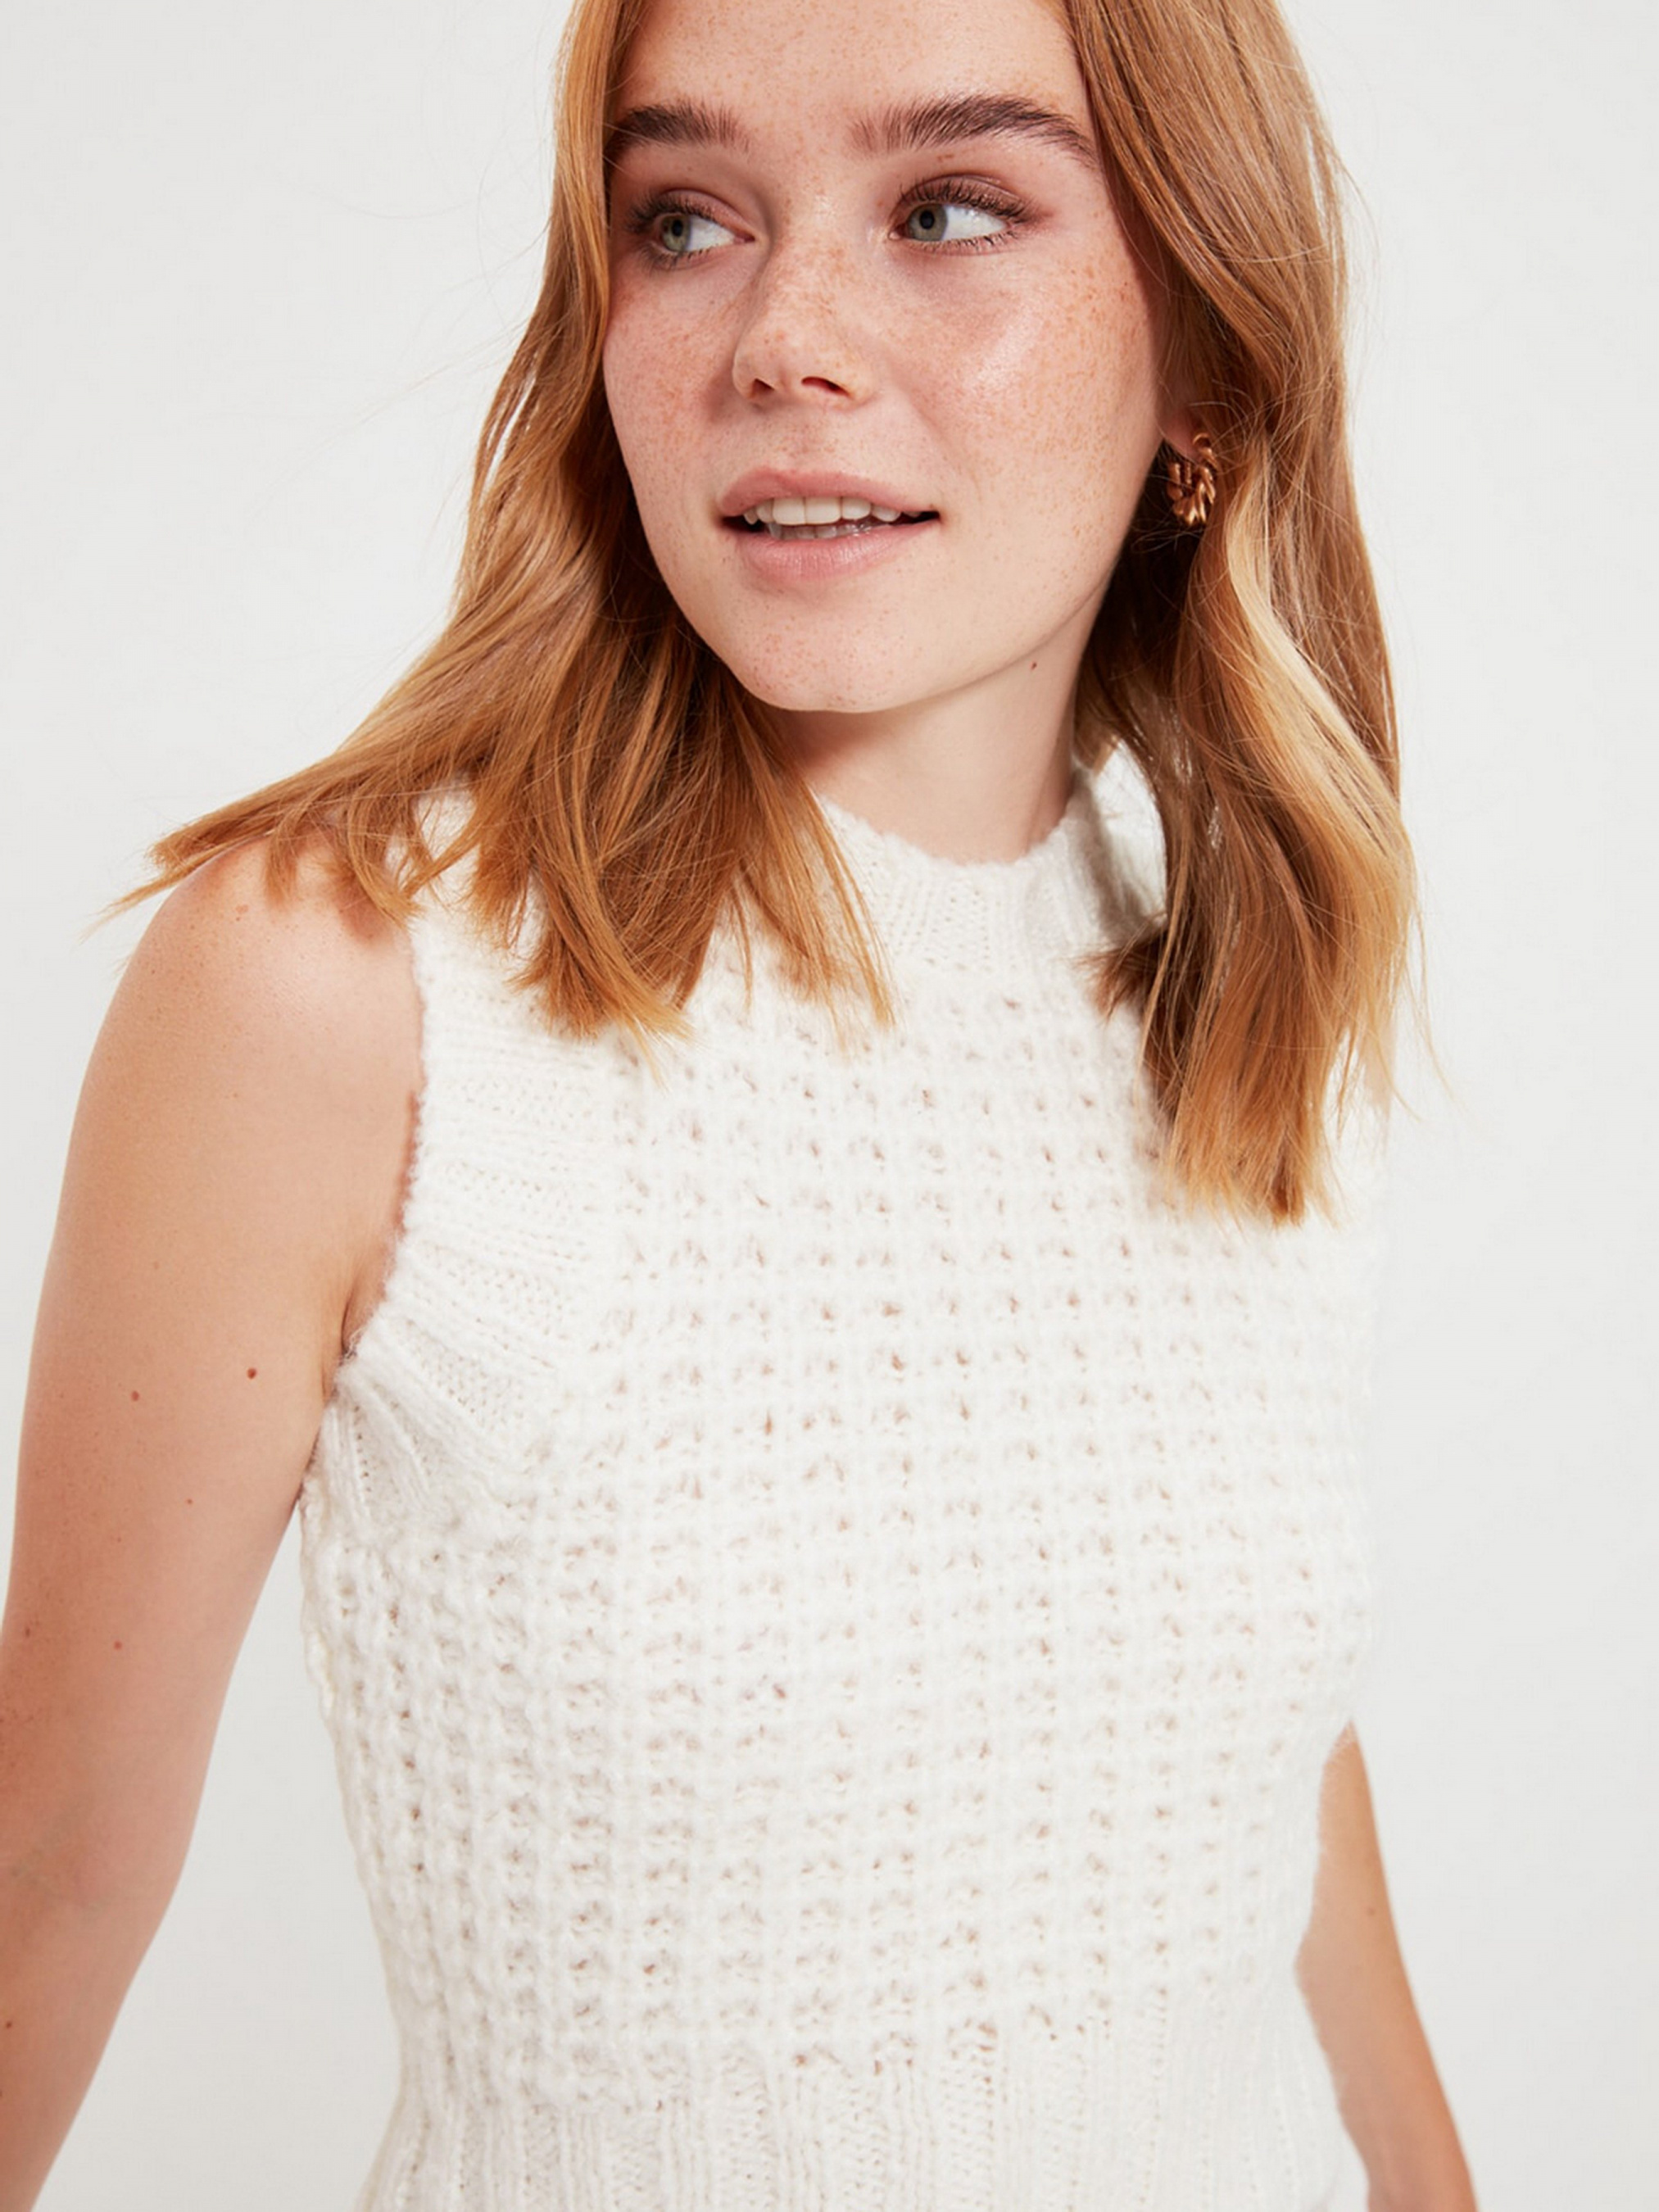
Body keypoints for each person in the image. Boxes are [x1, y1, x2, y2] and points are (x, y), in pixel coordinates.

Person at [0, 0, 1480, 2205]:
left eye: (948, 207)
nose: (783, 339)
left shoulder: (1231, 968)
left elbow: (1232, 1740)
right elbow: (46, 1879)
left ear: (1203, 340)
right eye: (684, 219)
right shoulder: (352, 989)